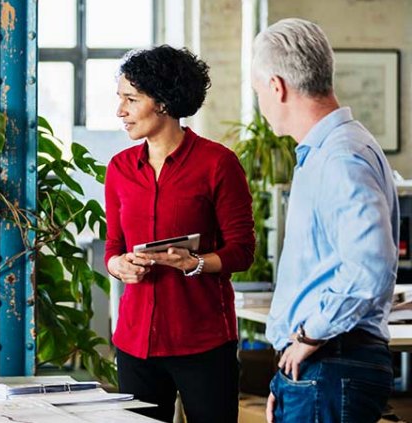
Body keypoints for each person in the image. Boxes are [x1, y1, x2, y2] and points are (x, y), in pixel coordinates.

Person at [252, 19, 399, 423]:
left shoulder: (339, 157)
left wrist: (308, 337)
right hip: (318, 369)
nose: (260, 104)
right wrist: (287, 378)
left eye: (258, 91)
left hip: (332, 361)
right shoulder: (329, 152)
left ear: (277, 87)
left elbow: (369, 268)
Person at [105, 45, 255, 423]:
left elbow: (242, 250)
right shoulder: (119, 168)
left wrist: (195, 263)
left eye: (130, 99)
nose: (120, 110)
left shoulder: (218, 164)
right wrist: (118, 265)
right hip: (135, 342)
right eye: (119, 98)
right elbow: (114, 246)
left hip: (202, 342)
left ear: (163, 103)